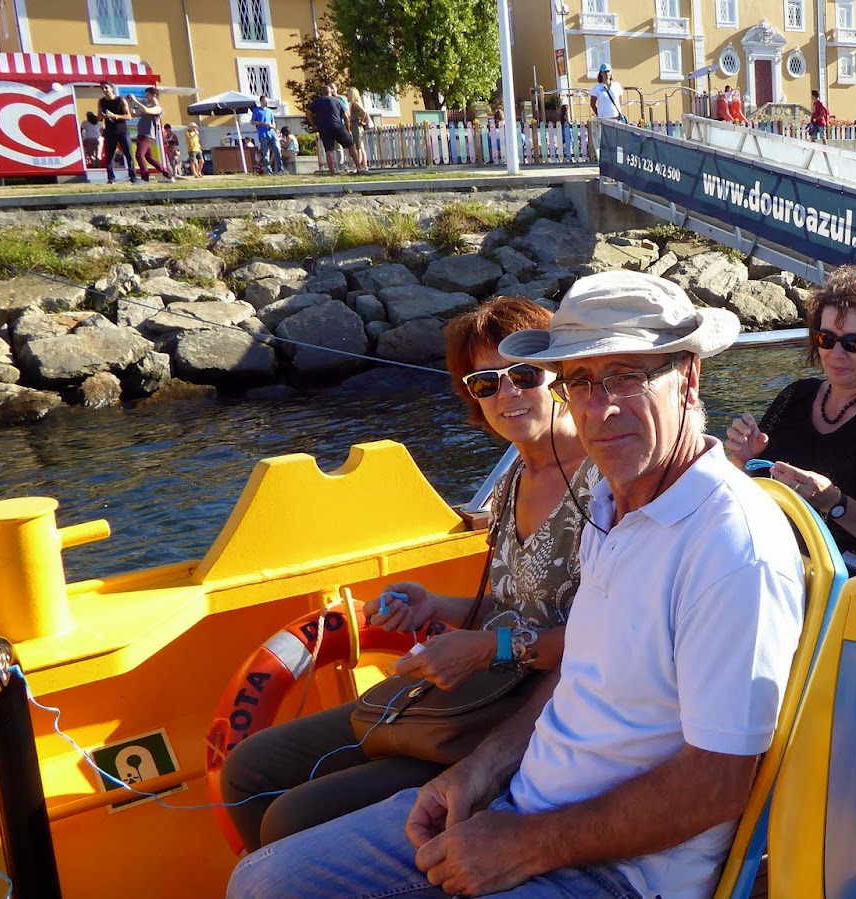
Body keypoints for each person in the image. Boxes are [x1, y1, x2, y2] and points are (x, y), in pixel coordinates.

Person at [226, 271, 805, 899]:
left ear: (688, 378)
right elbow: (576, 674)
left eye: (625, 377)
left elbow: (718, 784)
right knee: (262, 881)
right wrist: (478, 773)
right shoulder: (612, 507)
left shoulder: (731, 546)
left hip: (619, 871)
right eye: (580, 380)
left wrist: (525, 844)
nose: (601, 407)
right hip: (521, 801)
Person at [221, 298, 599, 853]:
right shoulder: (514, 479)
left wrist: (485, 650)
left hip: (539, 711)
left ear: (561, 374)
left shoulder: (603, 484)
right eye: (485, 383)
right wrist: (435, 606)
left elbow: (608, 639)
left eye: (523, 374)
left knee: (293, 819)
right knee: (251, 768)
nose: (507, 395)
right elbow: (514, 606)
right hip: (482, 691)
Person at [726, 265, 856, 564]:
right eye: (826, 339)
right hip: (761, 547)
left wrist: (834, 500)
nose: (837, 353)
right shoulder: (796, 395)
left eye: (854, 343)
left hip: (826, 572)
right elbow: (748, 482)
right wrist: (743, 459)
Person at [124, 87, 174, 182]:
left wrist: (136, 101)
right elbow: (133, 114)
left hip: (148, 136)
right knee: (149, 158)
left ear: (154, 95)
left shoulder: (158, 108)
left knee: (139, 155)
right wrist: (129, 103)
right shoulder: (148, 106)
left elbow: (146, 110)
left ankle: (145, 179)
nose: (146, 97)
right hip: (142, 135)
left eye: (148, 95)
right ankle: (168, 176)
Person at [309, 83, 356, 174]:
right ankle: (359, 166)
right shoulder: (337, 100)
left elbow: (308, 112)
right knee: (351, 145)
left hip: (324, 127)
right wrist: (348, 129)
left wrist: (314, 124)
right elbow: (346, 116)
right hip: (337, 125)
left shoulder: (317, 102)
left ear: (321, 93)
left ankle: (332, 172)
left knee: (329, 150)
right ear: (330, 91)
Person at [96, 81, 136, 185]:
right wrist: (102, 116)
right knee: (109, 156)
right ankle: (111, 178)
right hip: (110, 131)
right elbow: (99, 118)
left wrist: (115, 116)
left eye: (106, 88)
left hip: (122, 130)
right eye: (102, 89)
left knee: (128, 154)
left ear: (111, 88)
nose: (104, 90)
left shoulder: (120, 100)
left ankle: (133, 177)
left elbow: (129, 116)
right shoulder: (101, 101)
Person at [250, 95, 282, 175]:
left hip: (272, 133)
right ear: (261, 101)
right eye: (265, 101)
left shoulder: (270, 111)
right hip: (263, 134)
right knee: (266, 152)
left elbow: (273, 122)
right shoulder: (256, 111)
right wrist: (262, 123)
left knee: (277, 150)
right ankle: (268, 170)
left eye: (267, 101)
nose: (266, 103)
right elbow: (252, 122)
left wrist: (272, 126)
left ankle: (280, 169)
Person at [345, 88, 372, 174]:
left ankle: (358, 166)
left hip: (356, 125)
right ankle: (365, 166)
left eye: (348, 94)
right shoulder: (357, 103)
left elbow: (363, 112)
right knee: (361, 146)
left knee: (358, 147)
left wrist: (361, 121)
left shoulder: (354, 103)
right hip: (358, 126)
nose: (347, 96)